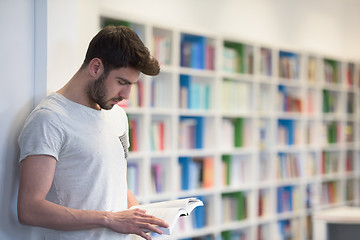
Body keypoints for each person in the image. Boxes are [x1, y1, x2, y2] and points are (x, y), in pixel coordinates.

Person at [17, 25, 169, 240]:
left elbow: (116, 186)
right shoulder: (49, 119)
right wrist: (108, 219)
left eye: (132, 85)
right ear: (96, 67)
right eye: (121, 82)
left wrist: (146, 222)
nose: (126, 95)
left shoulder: (117, 116)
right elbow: (29, 209)